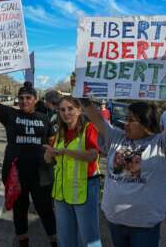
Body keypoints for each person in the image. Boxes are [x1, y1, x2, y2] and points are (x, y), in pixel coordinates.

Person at [79, 80, 166, 247]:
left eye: (131, 120)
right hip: (115, 221)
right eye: (126, 119)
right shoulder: (117, 137)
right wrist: (80, 93)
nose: (125, 123)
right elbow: (95, 117)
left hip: (144, 226)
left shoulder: (161, 143)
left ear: (145, 123)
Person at [0, 67, 57, 247]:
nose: (24, 101)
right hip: (15, 174)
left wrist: (52, 154)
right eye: (21, 98)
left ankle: (54, 241)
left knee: (45, 209)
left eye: (28, 98)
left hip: (41, 173)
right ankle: (23, 242)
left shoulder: (44, 119)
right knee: (20, 210)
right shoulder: (11, 115)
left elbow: (52, 142)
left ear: (35, 100)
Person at [44, 96, 101, 247]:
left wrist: (66, 152)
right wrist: (49, 154)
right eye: (62, 109)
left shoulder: (89, 128)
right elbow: (49, 161)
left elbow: (92, 155)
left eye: (70, 109)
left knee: (89, 239)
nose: (66, 113)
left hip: (85, 189)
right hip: (62, 192)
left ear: (79, 110)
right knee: (65, 238)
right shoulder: (60, 132)